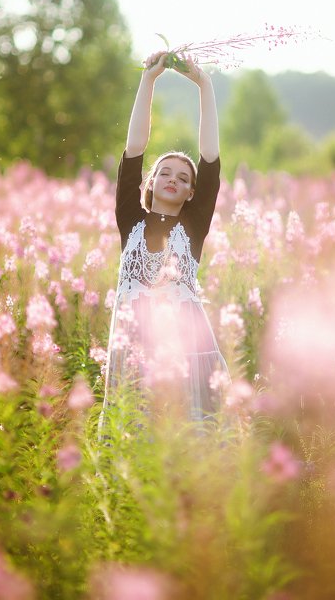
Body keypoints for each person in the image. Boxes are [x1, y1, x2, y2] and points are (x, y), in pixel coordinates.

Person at [98, 51, 231, 435]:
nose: (174, 179)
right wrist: (148, 79)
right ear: (150, 182)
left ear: (192, 193)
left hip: (186, 347)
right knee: (136, 430)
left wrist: (204, 84)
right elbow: (134, 149)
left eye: (184, 178)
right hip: (134, 345)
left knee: (187, 435)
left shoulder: (194, 225)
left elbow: (210, 158)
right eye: (165, 173)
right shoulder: (130, 219)